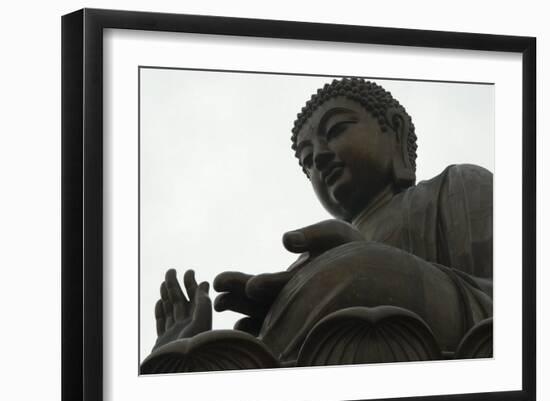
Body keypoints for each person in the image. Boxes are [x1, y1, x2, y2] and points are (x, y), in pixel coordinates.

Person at [141, 78, 493, 373]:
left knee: (361, 267)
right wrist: (189, 345)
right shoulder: (313, 261)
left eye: (337, 130)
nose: (320, 158)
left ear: (395, 132)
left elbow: (517, 307)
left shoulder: (459, 187)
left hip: (450, 353)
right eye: (308, 160)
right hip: (327, 367)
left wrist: (365, 264)